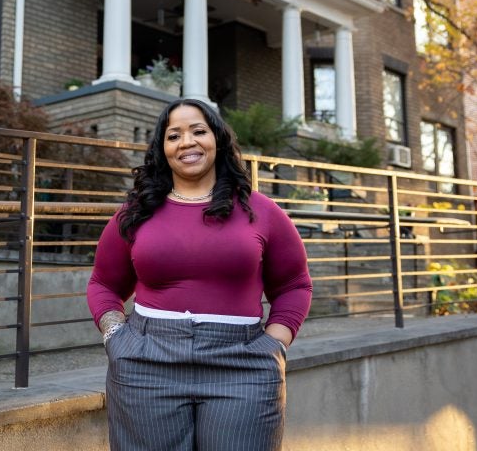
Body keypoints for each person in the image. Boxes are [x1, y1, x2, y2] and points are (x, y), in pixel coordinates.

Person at [87, 98, 312, 451]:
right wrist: (117, 336)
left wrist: (275, 344)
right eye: (173, 135)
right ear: (163, 149)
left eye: (198, 131)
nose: (187, 142)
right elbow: (103, 283)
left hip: (242, 363)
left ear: (217, 139)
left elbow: (294, 285)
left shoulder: (262, 211)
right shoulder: (136, 212)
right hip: (146, 363)